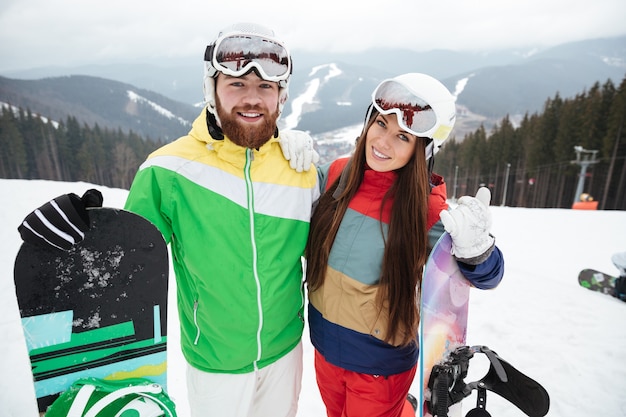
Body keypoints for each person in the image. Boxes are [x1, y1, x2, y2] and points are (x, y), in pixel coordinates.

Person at [18, 22, 319, 417]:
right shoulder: (168, 170)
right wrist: (81, 234)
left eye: (265, 87)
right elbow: (128, 258)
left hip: (285, 351)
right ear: (212, 92)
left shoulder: (301, 169)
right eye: (237, 85)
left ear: (281, 97)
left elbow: (333, 245)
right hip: (215, 362)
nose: (252, 99)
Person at [305, 73, 505, 417]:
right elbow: (286, 195)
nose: (383, 142)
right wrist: (283, 151)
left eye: (403, 137)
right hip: (324, 350)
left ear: (422, 149)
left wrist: (479, 252)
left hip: (378, 368)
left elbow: (485, 277)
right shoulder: (338, 174)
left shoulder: (424, 210)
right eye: (380, 124)